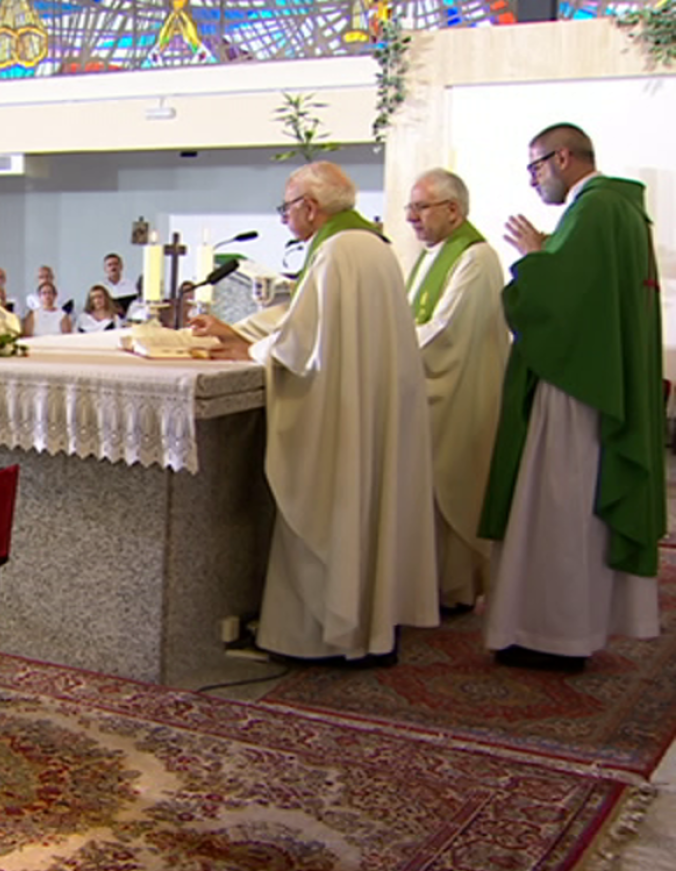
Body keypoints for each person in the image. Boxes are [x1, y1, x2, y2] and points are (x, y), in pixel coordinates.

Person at [197, 160, 438, 664]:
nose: (285, 218)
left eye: (286, 208)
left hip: (339, 414)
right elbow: (309, 319)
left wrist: (250, 351)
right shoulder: (372, 246)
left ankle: (320, 636)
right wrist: (241, 332)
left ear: (310, 206)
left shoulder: (335, 252)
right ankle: (366, 629)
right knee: (363, 515)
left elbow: (301, 342)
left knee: (330, 509)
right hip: (370, 407)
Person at [478, 124, 663, 670]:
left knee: (558, 509)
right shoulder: (620, 209)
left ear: (563, 157)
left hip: (574, 391)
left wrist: (534, 256)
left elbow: (559, 304)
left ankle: (551, 635)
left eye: (535, 167)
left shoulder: (596, 209)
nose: (533, 180)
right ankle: (564, 627)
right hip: (593, 378)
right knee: (570, 510)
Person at [401, 168, 508, 613]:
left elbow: (446, 333)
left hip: (459, 391)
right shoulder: (434, 254)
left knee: (451, 483)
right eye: (410, 208)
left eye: (420, 207)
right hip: (429, 386)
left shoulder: (476, 258)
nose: (411, 218)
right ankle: (428, 584)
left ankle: (455, 588)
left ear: (453, 210)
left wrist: (386, 350)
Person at [96, 253, 139, 317]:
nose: (113, 267)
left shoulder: (132, 286)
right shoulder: (100, 287)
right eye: (109, 265)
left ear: (121, 267)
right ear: (105, 269)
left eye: (115, 264)